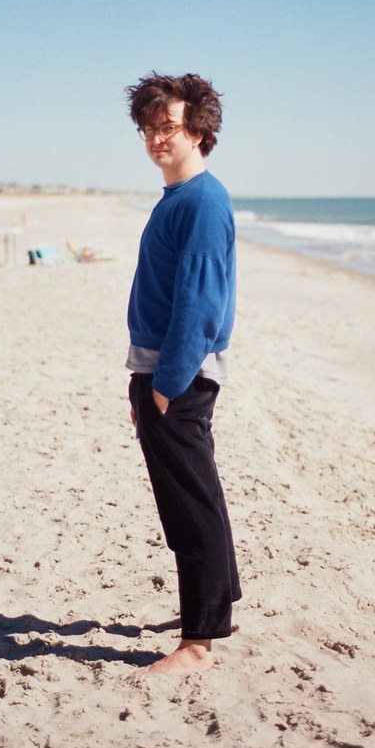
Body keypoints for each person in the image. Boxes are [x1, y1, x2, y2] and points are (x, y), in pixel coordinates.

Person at [125, 72, 241, 675]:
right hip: (164, 371)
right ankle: (218, 604)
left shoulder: (201, 200)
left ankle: (199, 643)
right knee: (199, 496)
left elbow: (199, 304)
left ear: (198, 129)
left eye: (166, 126)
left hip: (180, 377)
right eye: (148, 127)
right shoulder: (182, 197)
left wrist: (166, 384)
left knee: (189, 506)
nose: (155, 137)